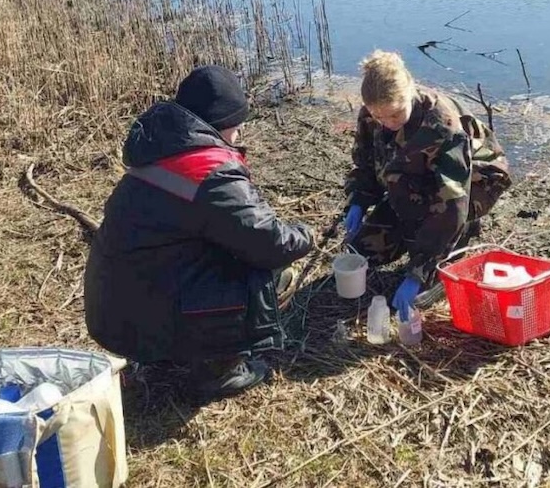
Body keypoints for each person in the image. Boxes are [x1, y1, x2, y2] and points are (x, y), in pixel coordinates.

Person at [84, 65, 314, 400]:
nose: (238, 134)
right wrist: (306, 233)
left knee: (226, 255)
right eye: (236, 126)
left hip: (112, 314)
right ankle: (221, 372)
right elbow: (271, 243)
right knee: (272, 277)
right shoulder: (208, 172)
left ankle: (168, 350)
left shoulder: (158, 149)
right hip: (137, 325)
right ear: (222, 122)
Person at [344, 50, 511, 321]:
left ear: (410, 91)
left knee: (432, 249)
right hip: (417, 176)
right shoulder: (374, 111)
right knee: (365, 251)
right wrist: (359, 201)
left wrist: (417, 272)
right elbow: (365, 162)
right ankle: (418, 227)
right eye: (378, 117)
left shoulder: (442, 126)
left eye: (395, 115)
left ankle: (462, 233)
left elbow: (452, 201)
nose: (385, 123)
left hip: (476, 180)